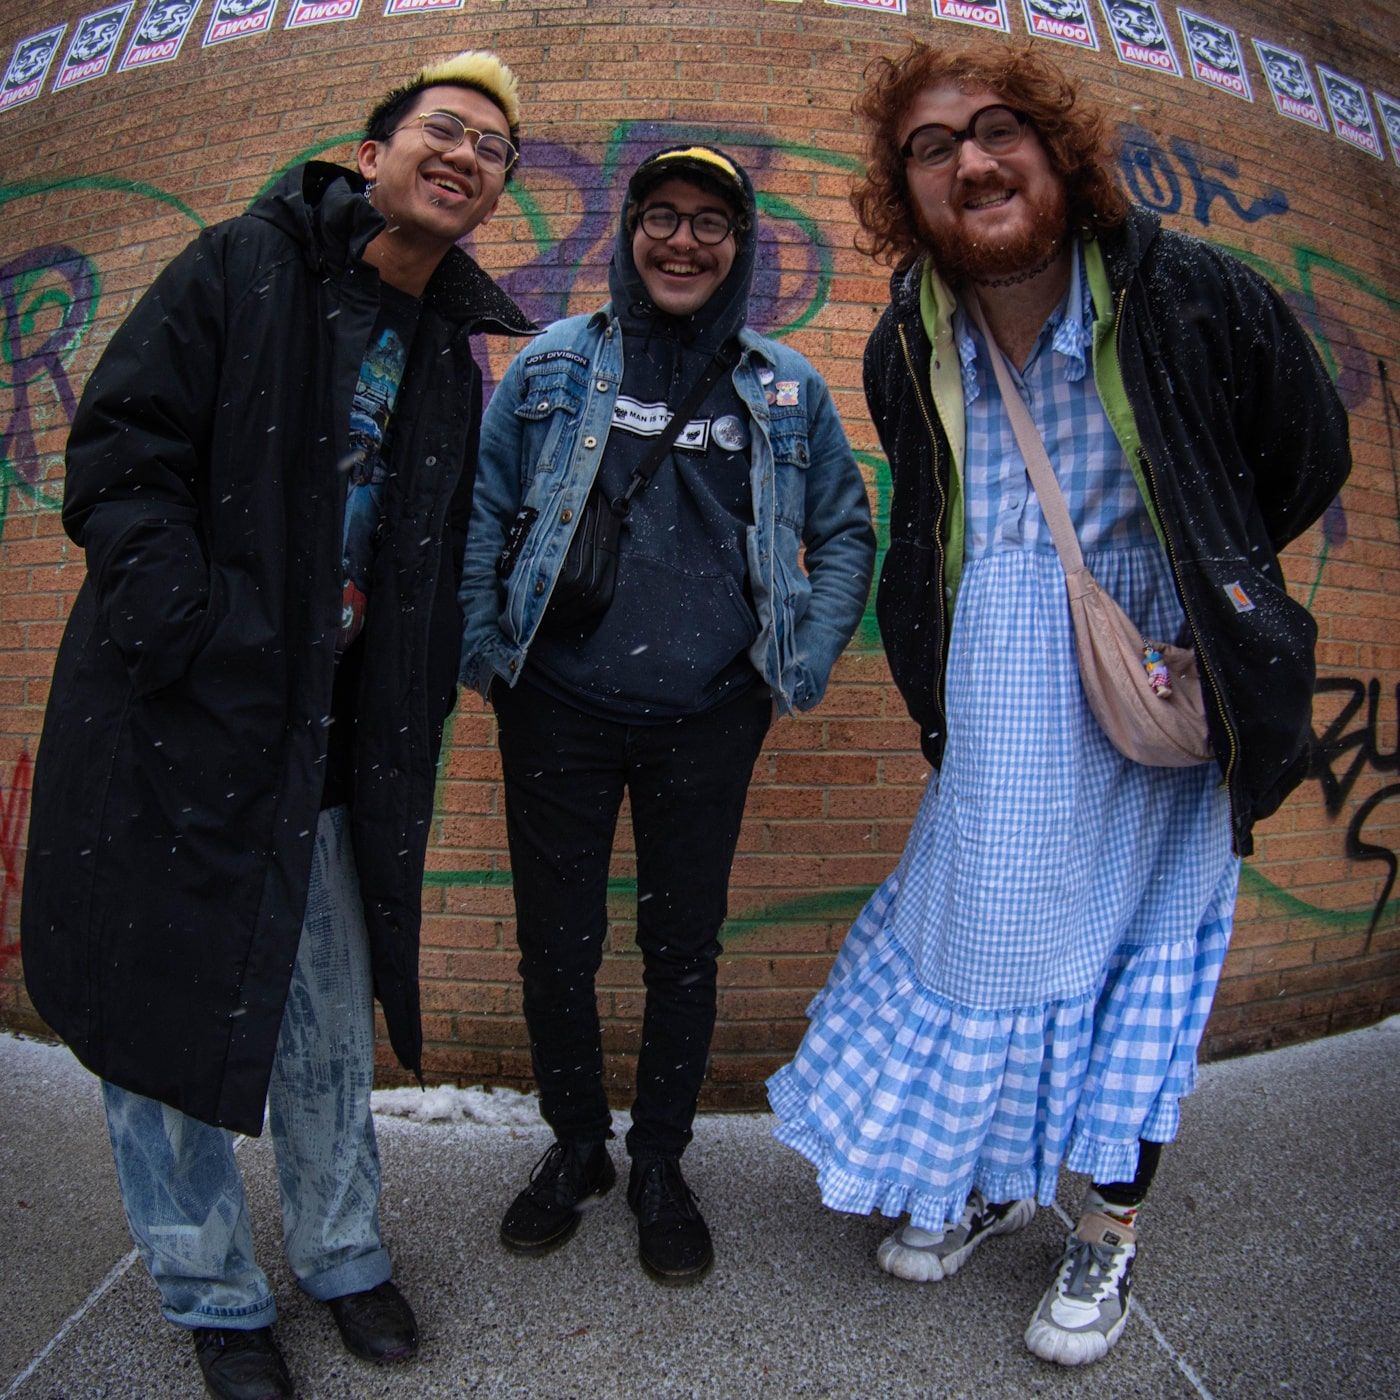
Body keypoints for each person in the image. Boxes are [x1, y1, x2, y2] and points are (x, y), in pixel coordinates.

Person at [768, 42, 1349, 1366]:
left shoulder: (1188, 291)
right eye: (930, 148)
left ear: (1055, 151)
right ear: (905, 189)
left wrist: (1216, 582)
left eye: (998, 130)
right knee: (989, 940)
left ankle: (1108, 1227)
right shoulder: (906, 339)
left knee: (1146, 948)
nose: (970, 162)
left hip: (1164, 664)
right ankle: (999, 1179)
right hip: (1003, 672)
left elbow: (1305, 447)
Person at [21, 51, 532, 1400]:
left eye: (493, 147)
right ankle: (210, 1291)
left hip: (329, 747)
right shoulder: (239, 267)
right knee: (154, 1016)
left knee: (321, 1022)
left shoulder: (447, 354)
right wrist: (190, 635)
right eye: (442, 128)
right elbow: (121, 455)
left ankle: (344, 1255)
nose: (466, 155)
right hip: (176, 722)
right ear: (371, 154)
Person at [459, 144, 875, 1286]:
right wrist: (488, 654)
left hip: (708, 715)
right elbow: (480, 511)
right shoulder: (552, 361)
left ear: (739, 246)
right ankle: (576, 1146)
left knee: (680, 951)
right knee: (557, 945)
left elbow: (844, 530)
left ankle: (657, 1162)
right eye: (661, 216)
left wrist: (793, 662)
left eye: (709, 222)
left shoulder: (785, 387)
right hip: (556, 707)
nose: (682, 241)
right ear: (629, 230)